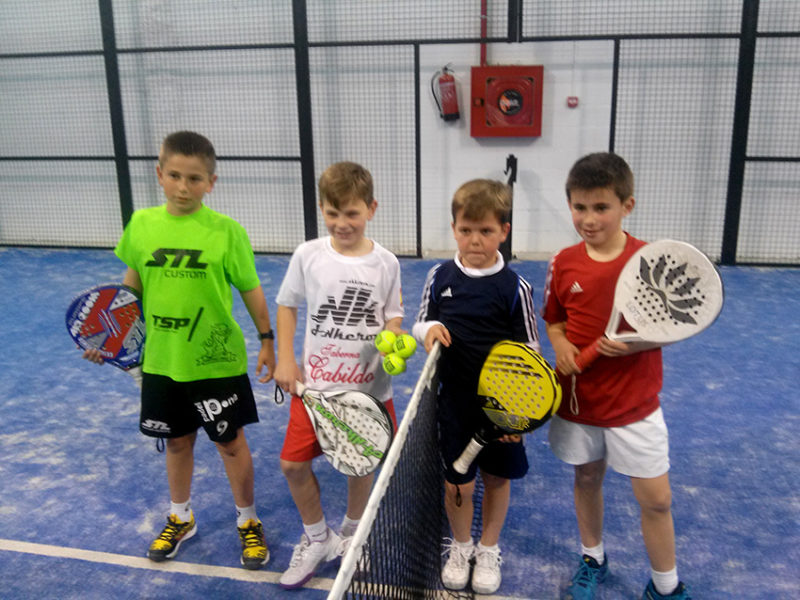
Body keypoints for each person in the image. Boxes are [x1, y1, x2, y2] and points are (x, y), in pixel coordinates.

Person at [82, 131, 275, 570]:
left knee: (230, 443)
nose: (183, 187)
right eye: (174, 176)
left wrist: (267, 340)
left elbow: (251, 289)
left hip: (215, 361)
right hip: (162, 361)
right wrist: (109, 340)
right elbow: (130, 290)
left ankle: (248, 521)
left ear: (211, 182)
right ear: (159, 174)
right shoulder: (141, 225)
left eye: (194, 179)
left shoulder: (226, 232)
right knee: (176, 442)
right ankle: (181, 516)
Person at [541, 152, 691, 600]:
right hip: (579, 402)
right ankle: (593, 558)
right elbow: (555, 320)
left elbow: (672, 326)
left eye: (601, 207)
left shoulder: (649, 261)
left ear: (628, 205)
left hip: (634, 405)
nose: (588, 219)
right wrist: (561, 345)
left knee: (657, 500)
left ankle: (665, 587)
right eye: (579, 207)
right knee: (587, 479)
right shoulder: (563, 262)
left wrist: (637, 344)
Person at [273, 161, 404, 589]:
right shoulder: (308, 255)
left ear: (371, 209)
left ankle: (352, 534)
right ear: (322, 210)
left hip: (368, 390)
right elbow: (287, 305)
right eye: (333, 213)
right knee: (292, 465)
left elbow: (393, 317)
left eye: (352, 213)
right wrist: (286, 359)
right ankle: (318, 538)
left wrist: (393, 339)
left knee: (360, 465)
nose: (342, 223)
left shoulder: (386, 263)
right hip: (314, 389)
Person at [412, 179, 541, 595]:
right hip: (454, 404)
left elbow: (530, 353)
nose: (475, 240)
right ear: (454, 229)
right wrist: (429, 330)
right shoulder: (439, 276)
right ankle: (461, 546)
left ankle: (488, 548)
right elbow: (421, 322)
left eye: (486, 231)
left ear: (503, 231)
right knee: (457, 481)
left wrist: (516, 414)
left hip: (501, 408)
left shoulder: (515, 288)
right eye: (466, 230)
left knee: (497, 478)